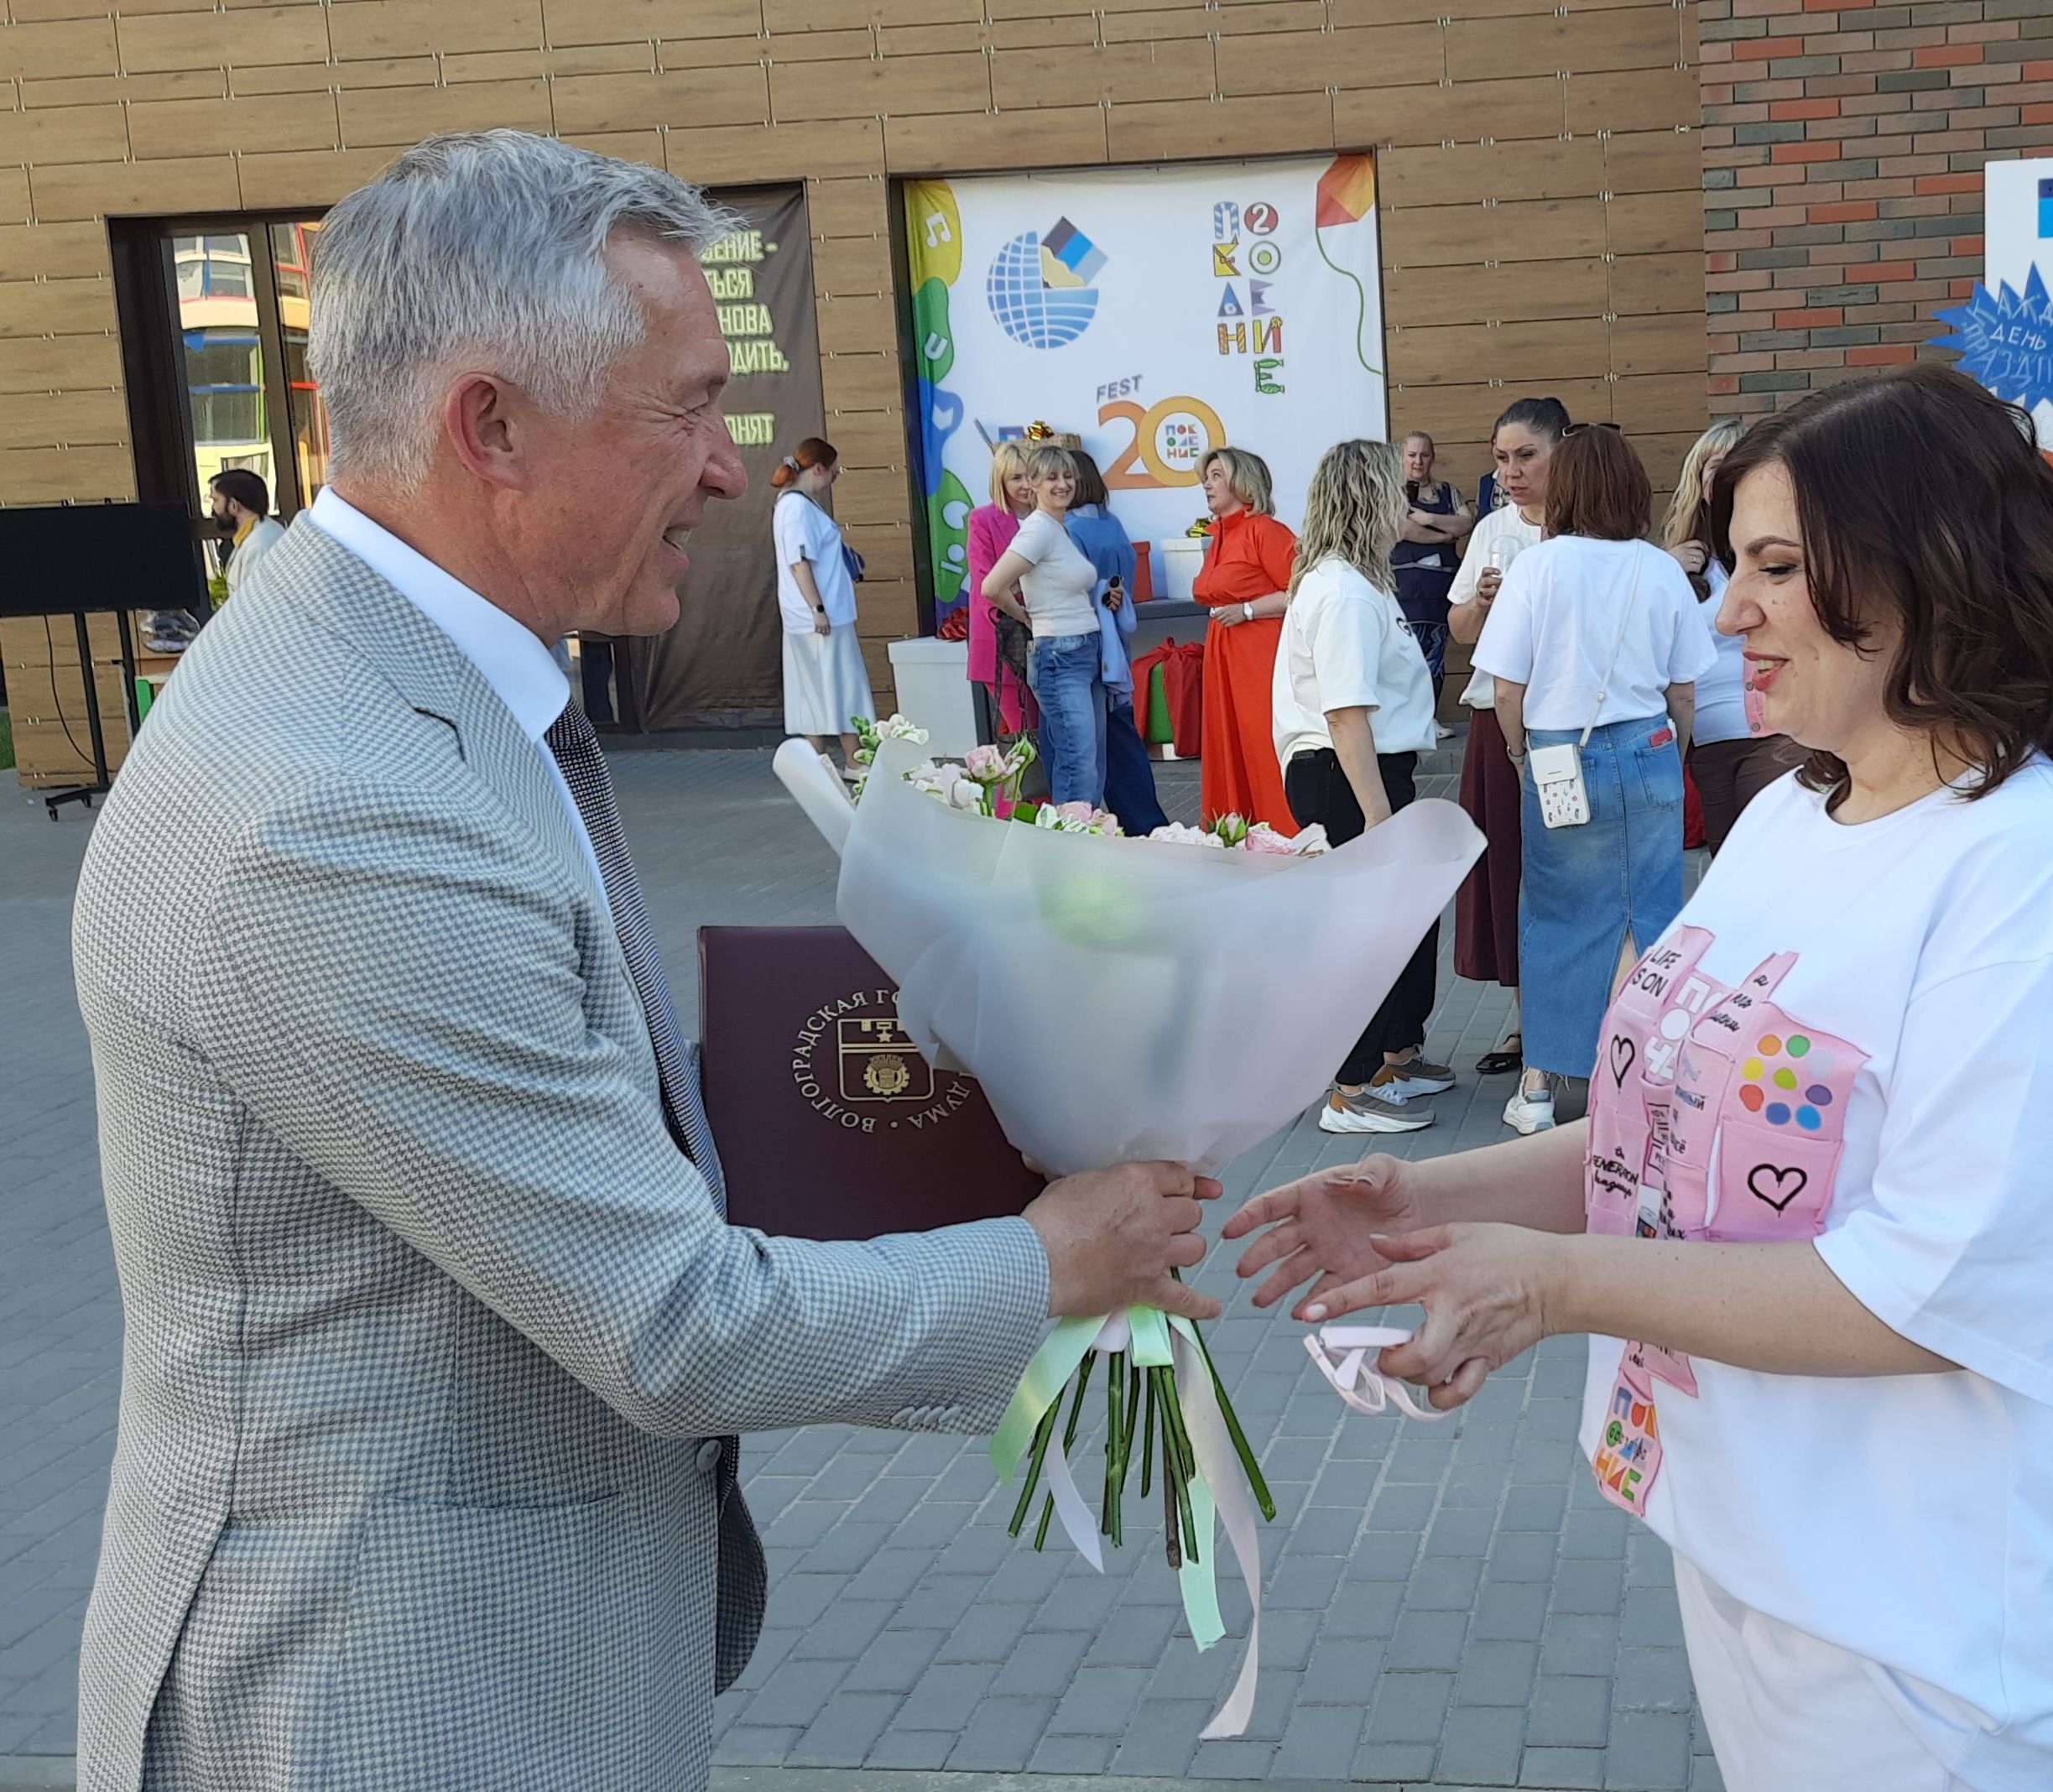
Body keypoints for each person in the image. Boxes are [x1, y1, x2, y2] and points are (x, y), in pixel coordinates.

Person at [65, 131, 1218, 1792]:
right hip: (384, 1699)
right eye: (687, 407)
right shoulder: (331, 809)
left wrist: (938, 1085)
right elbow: (674, 1326)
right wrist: (1050, 1260)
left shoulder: (406, 679)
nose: (730, 469)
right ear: (491, 427)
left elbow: (549, 1100)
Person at [1228, 365, 2053, 1792]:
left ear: (1929, 578)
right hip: (1759, 1548)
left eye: (1775, 569)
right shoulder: (1795, 816)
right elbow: (1670, 1130)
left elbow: (1938, 1291)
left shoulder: (2038, 894)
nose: (1724, 612)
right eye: (1732, 563)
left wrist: (1552, 1285)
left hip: (1938, 1634)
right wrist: (1425, 1201)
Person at [1472, 423, 1710, 1135]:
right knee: (1648, 909)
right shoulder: (1660, 569)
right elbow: (1684, 690)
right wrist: (1673, 755)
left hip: (1557, 754)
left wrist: (1519, 754)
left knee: (1556, 914)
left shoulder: (1536, 569)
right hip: (1650, 744)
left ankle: (1539, 1086)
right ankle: (1638, 1077)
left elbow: (1506, 687)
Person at [1273, 438, 1457, 1135]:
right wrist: (1378, 818)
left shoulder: (1355, 580)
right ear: (1371, 499)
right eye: (1395, 495)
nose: (1405, 509)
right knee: (1361, 935)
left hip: (1362, 771)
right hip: (1346, 775)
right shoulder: (1344, 591)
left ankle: (1387, 1059)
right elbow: (1344, 711)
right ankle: (1348, 1090)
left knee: (1396, 925)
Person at [1445, 397, 1569, 1080]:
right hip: (1498, 718)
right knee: (1509, 868)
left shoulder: (1586, 529)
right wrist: (1483, 601)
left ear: (1561, 452)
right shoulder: (1492, 529)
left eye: (1525, 456)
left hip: (1567, 716)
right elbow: (1461, 631)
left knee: (1571, 871)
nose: (1510, 472)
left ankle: (1584, 1016)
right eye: (1500, 459)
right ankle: (1529, 1025)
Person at [1664, 419, 1808, 843]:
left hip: (1777, 734)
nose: (1728, 476)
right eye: (1716, 467)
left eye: (1739, 464)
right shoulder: (1674, 563)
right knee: (1726, 858)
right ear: (1698, 483)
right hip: (1709, 739)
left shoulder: (1787, 548)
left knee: (1767, 848)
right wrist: (1663, 570)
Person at [982, 443, 1107, 808]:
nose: (1062, 484)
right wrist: (1025, 616)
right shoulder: (1038, 530)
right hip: (1059, 654)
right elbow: (992, 586)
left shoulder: (1057, 528)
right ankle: (1070, 834)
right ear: (1033, 485)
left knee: (1088, 759)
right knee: (1077, 761)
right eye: (1052, 477)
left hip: (1082, 649)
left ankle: (1081, 828)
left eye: (1068, 476)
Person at [1191, 445, 1300, 831]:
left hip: (1259, 656)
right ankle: (1240, 829)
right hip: (1225, 656)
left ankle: (1285, 830)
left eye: (1217, 476)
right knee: (1231, 743)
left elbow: (1300, 590)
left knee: (1262, 743)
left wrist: (1248, 610)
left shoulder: (1265, 530)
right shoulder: (1219, 535)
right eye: (1207, 477)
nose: (1207, 484)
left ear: (1243, 482)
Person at [1065, 453, 1170, 834]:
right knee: (1122, 738)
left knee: (1088, 747)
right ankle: (1148, 824)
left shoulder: (1068, 530)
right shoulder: (1113, 524)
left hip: (1083, 644)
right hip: (1116, 645)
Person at [769, 435, 873, 769]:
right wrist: (818, 609)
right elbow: (799, 562)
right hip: (821, 615)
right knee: (841, 686)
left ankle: (818, 764)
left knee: (813, 690)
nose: (833, 478)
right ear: (817, 469)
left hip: (812, 614)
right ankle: (853, 761)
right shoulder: (797, 508)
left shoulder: (793, 504)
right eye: (833, 472)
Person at [961, 435, 1041, 749]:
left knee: (1046, 734)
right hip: (1004, 641)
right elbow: (987, 584)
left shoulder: (1047, 518)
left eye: (1030, 476)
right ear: (1000, 481)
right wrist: (1021, 597)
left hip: (1045, 638)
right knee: (1027, 735)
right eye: (1016, 478)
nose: (1026, 485)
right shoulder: (983, 519)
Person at [1392, 430, 1474, 685]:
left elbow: (1466, 523)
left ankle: (1431, 709)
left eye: (1424, 455)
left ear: (1433, 458)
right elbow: (1403, 529)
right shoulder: (1391, 492)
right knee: (1405, 661)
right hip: (1404, 591)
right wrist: (1443, 536)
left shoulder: (1448, 491)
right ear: (1402, 457)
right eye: (1412, 455)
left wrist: (1428, 518)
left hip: (1440, 590)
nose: (1418, 461)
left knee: (1434, 660)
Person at [208, 467, 278, 606]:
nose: (213, 509)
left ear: (233, 505)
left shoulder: (259, 545)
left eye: (216, 500)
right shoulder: (258, 535)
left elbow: (256, 605)